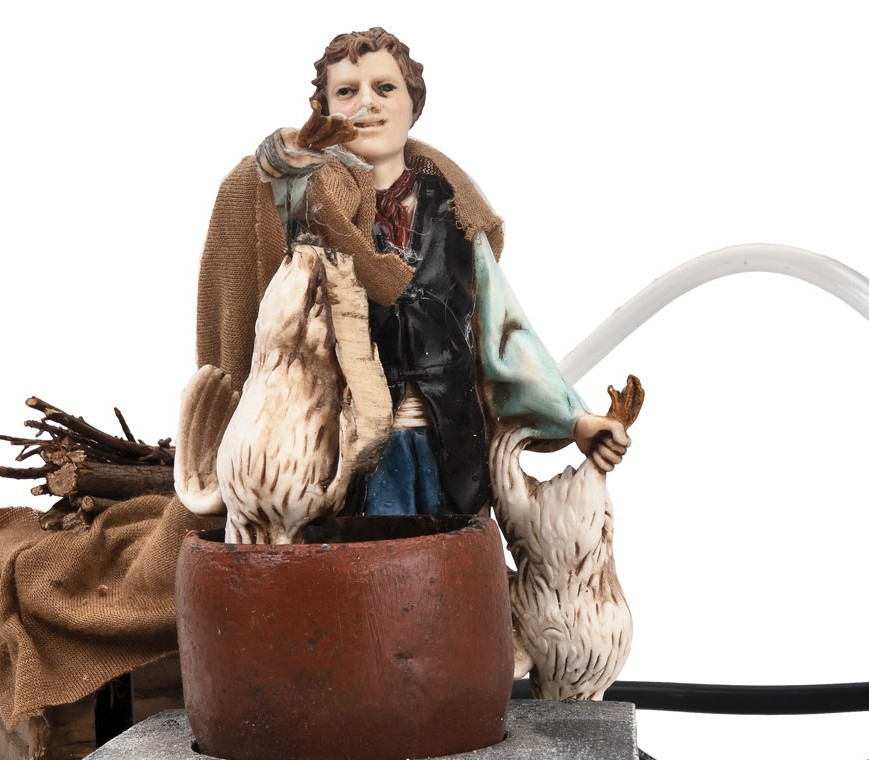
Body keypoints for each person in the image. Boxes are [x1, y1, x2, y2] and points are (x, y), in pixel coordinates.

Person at [194, 27, 629, 519]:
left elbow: (505, 334)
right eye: (347, 91)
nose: (367, 103)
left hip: (452, 452)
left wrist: (575, 420)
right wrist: (288, 166)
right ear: (325, 111)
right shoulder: (312, 216)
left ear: (412, 103)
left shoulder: (457, 216)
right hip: (346, 459)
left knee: (454, 561)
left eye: (385, 88)